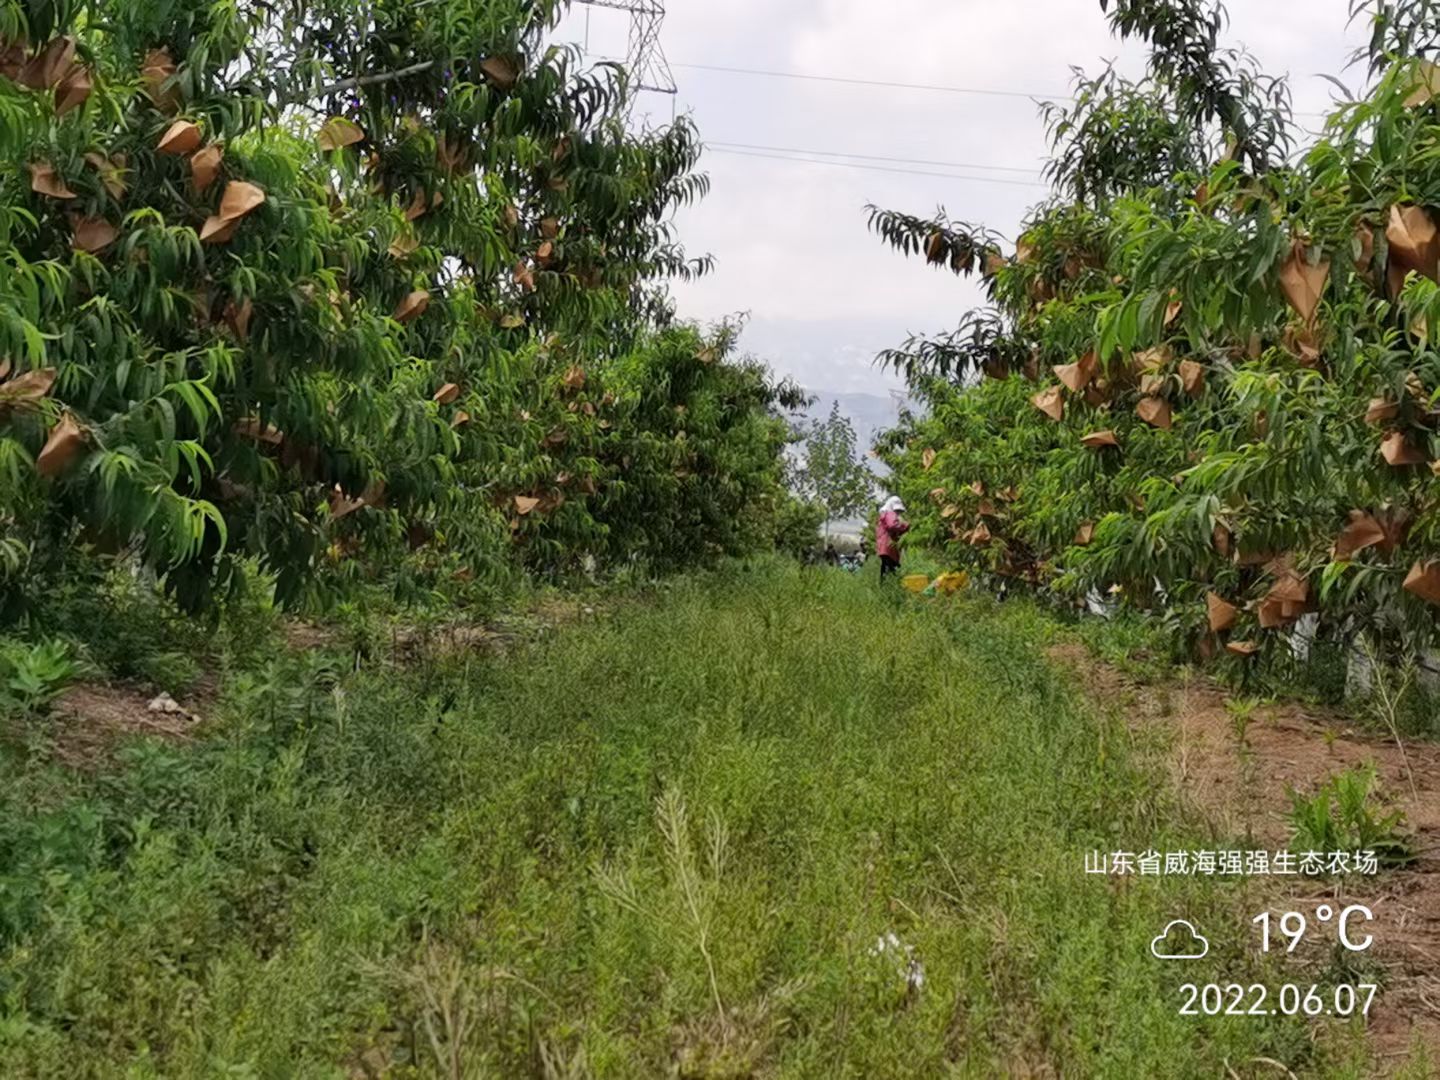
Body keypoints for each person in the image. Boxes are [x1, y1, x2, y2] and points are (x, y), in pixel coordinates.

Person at [875, 496, 909, 579]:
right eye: (897, 510)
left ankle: (884, 588)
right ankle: (888, 588)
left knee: (886, 568)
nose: (898, 512)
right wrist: (905, 525)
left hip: (885, 546)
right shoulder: (890, 514)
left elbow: (896, 529)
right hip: (888, 546)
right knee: (890, 569)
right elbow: (892, 525)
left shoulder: (885, 514)